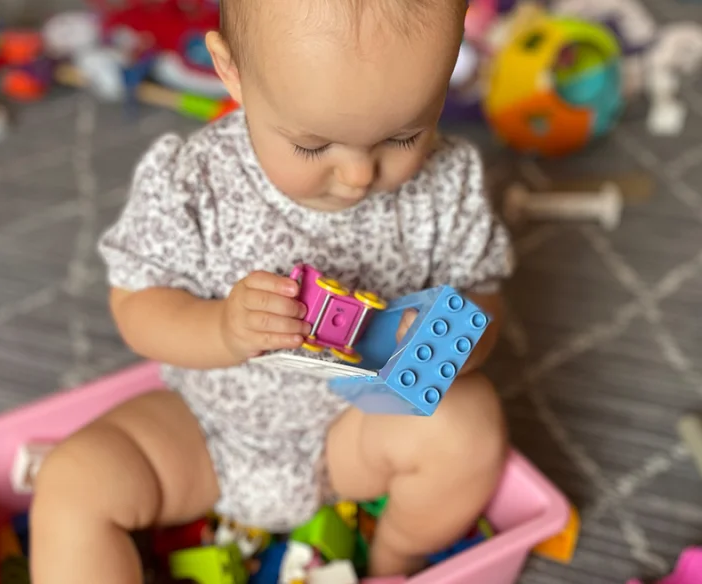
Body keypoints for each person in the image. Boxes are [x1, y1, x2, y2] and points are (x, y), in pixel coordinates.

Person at [30, 0, 514, 582]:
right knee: (74, 480)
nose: (359, 175)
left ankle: (395, 560)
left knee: (469, 423)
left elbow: (484, 297)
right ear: (231, 72)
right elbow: (136, 304)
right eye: (313, 145)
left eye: (404, 135)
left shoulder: (447, 182)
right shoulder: (194, 180)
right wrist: (221, 329)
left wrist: (449, 341)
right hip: (204, 425)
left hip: (355, 433)